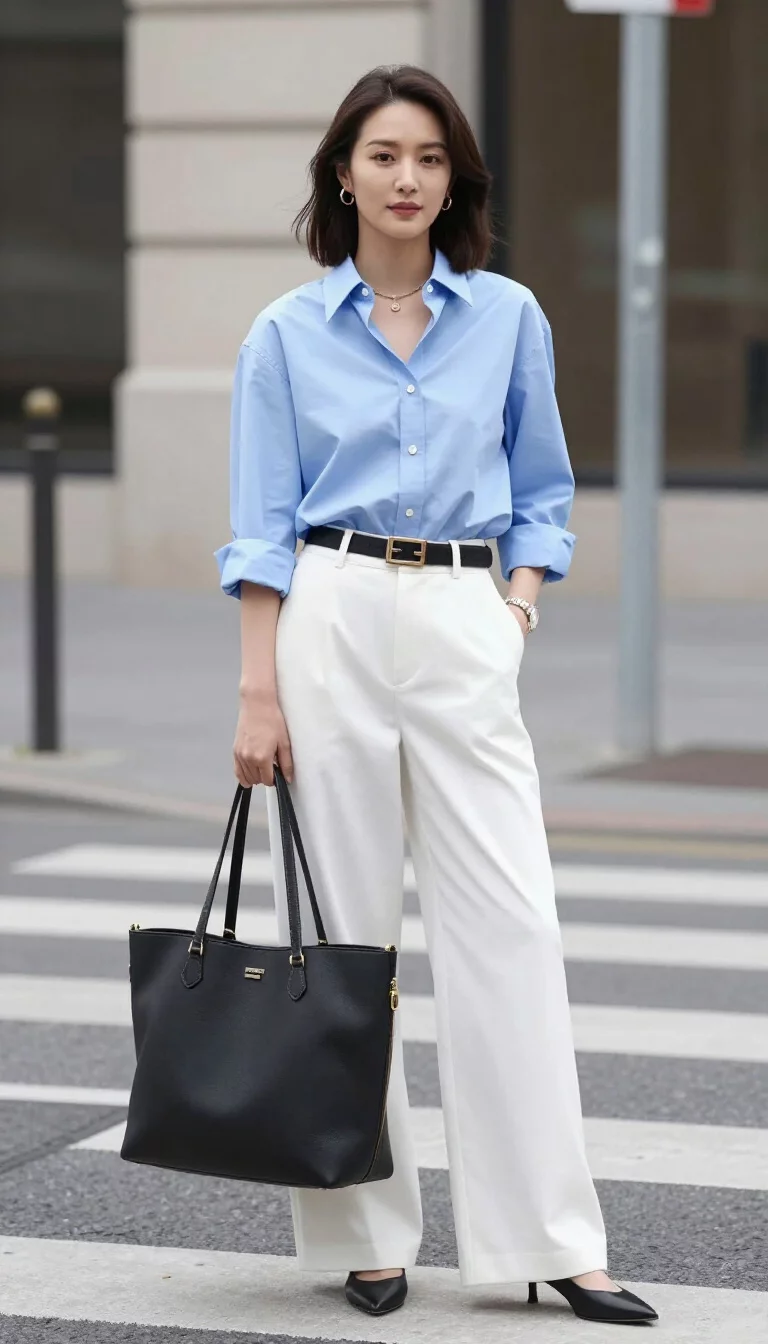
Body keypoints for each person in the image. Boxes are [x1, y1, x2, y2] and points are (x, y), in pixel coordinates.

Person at [214, 64, 657, 1328]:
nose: (407, 178)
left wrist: (514, 610)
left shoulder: (509, 316)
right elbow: (261, 527)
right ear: (342, 175)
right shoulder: (284, 334)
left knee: (511, 928)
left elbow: (544, 492)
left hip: (467, 612)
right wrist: (259, 691)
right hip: (330, 613)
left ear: (455, 178)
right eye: (384, 156)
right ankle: (366, 1235)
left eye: (429, 157)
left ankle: (554, 1242)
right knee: (345, 940)